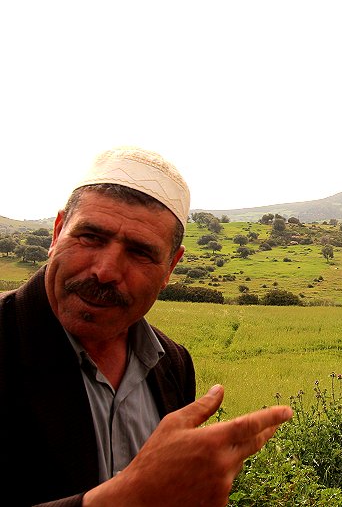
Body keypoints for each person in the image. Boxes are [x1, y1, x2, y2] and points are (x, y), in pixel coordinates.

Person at [0, 147, 292, 506]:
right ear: (58, 231)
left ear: (170, 267)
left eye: (139, 252)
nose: (105, 271)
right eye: (90, 237)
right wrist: (124, 496)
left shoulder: (172, 363)